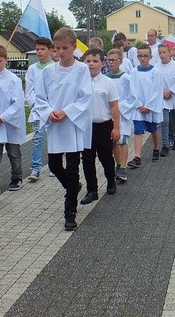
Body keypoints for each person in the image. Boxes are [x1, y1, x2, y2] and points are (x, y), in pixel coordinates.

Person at [35, 27, 93, 231]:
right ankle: (73, 187)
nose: (60, 52)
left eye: (64, 48)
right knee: (53, 165)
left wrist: (67, 112)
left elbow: (85, 96)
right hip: (55, 124)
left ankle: (70, 213)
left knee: (72, 168)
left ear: (74, 47)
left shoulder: (82, 70)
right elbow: (40, 97)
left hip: (72, 124)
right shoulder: (49, 71)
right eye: (57, 48)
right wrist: (49, 111)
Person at [0, 44, 27, 192]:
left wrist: (3, 117)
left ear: (6, 60)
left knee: (14, 152)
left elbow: (18, 103)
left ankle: (16, 177)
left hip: (9, 123)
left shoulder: (13, 80)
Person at [80, 48, 119, 204]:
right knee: (87, 159)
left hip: (103, 125)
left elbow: (114, 106)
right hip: (86, 126)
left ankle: (110, 180)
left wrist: (116, 128)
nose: (91, 64)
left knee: (106, 157)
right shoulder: (80, 81)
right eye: (88, 61)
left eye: (95, 61)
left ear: (102, 64)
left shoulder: (108, 83)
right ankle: (92, 190)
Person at [127, 44, 163, 168]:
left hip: (150, 107)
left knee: (153, 129)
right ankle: (137, 157)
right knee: (138, 130)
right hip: (139, 108)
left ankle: (156, 148)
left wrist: (148, 106)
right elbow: (132, 90)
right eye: (140, 56)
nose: (143, 58)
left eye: (145, 56)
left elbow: (157, 90)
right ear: (137, 57)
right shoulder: (133, 72)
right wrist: (139, 105)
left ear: (150, 57)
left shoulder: (155, 71)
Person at [25, 36, 53, 182]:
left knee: (53, 138)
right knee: (37, 138)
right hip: (38, 110)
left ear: (49, 50)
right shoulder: (32, 69)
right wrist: (36, 105)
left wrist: (51, 107)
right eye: (37, 49)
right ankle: (35, 168)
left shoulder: (55, 67)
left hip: (53, 110)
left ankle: (54, 165)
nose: (39, 52)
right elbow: (29, 91)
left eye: (43, 49)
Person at [106, 49, 136, 182]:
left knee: (122, 141)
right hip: (109, 114)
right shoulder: (105, 78)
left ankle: (123, 168)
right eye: (109, 60)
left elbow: (133, 97)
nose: (111, 62)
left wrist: (119, 107)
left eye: (114, 60)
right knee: (113, 142)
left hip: (123, 115)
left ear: (120, 61)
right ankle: (118, 164)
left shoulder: (126, 78)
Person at [156, 44, 175, 155]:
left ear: (169, 53)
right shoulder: (156, 67)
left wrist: (170, 91)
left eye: (164, 52)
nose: (162, 55)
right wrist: (161, 93)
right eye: (160, 53)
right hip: (162, 97)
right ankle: (165, 145)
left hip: (173, 95)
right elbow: (155, 83)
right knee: (165, 121)